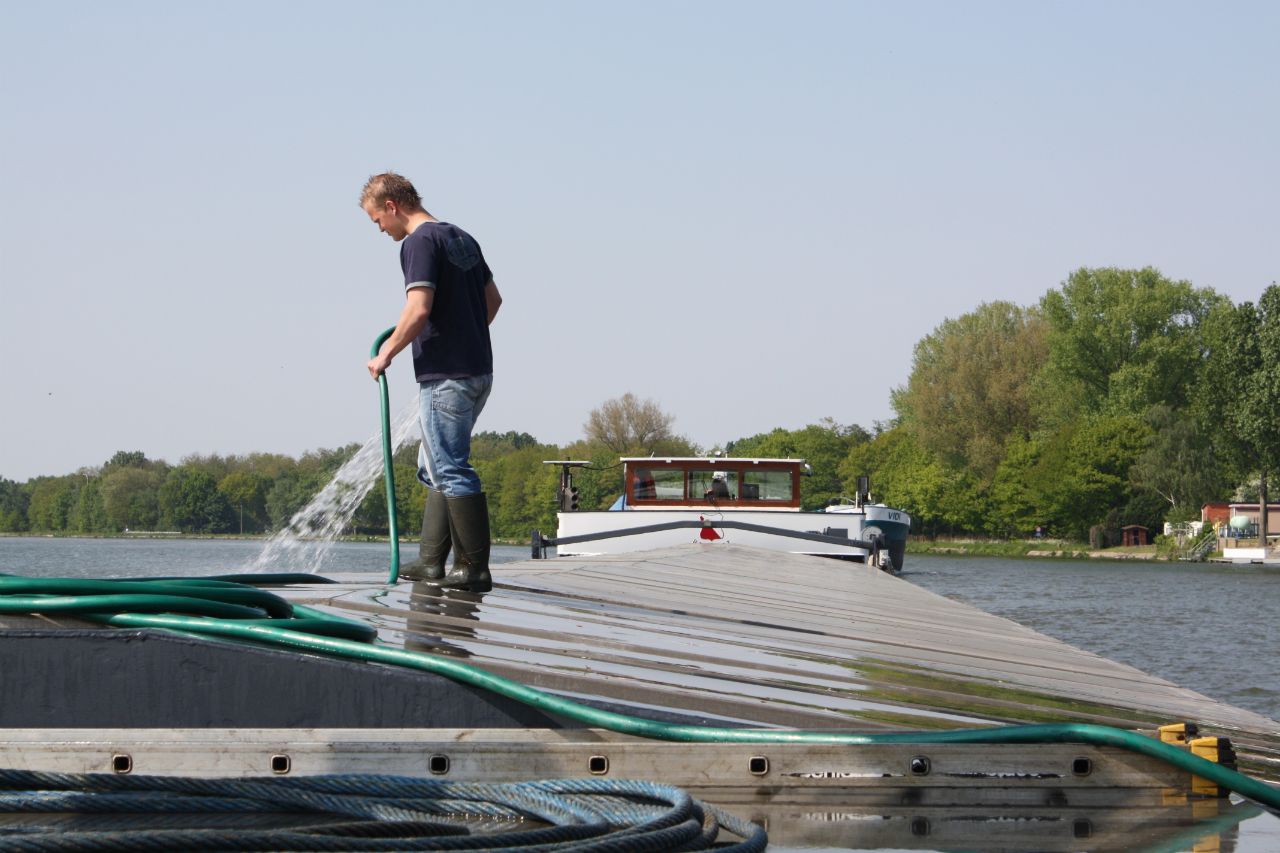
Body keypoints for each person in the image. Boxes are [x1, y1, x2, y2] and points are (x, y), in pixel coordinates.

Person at [361, 172, 502, 591]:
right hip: (476, 372)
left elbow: (418, 308)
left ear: (392, 206)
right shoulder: (462, 238)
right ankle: (430, 562)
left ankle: (473, 568)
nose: (379, 230)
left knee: (451, 467)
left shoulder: (418, 243)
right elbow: (493, 301)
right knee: (434, 465)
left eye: (377, 220)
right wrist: (464, 331)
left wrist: (385, 354)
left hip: (446, 377)